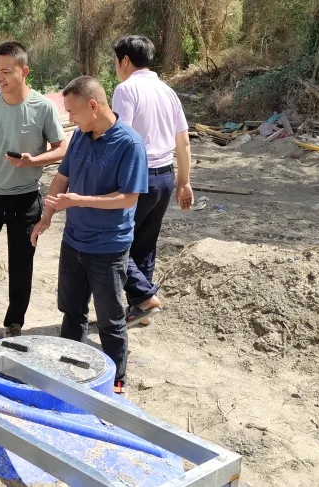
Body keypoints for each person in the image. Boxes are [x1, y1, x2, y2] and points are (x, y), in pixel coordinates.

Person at [32, 76, 148, 394]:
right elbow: (62, 179)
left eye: (73, 112)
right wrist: (47, 216)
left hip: (108, 248)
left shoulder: (130, 144)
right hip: (73, 242)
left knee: (110, 320)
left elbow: (128, 198)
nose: (70, 119)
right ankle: (69, 373)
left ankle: (116, 382)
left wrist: (79, 201)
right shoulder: (80, 137)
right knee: (72, 312)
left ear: (93, 106)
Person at [0, 41, 68, 340]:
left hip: (26, 199)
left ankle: (14, 324)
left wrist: (34, 160)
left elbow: (62, 148)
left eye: (6, 71)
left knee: (21, 265)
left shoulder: (43, 107)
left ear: (24, 71)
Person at [110, 35, 194, 326]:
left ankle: (144, 298)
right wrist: (184, 181)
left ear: (125, 60)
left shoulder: (126, 89)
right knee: (145, 243)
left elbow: (123, 138)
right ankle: (140, 309)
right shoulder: (167, 91)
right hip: (165, 177)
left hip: (139, 177)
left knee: (114, 240)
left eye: (116, 61)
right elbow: (183, 141)